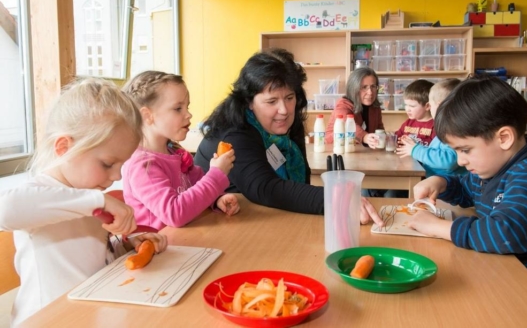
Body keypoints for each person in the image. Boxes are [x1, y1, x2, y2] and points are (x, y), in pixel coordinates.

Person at [0, 78, 169, 326]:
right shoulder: (46, 193)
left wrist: (126, 245)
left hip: (88, 313)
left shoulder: (85, 192)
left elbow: (91, 255)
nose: (116, 176)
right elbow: (6, 211)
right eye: (107, 164)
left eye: (121, 165)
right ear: (64, 147)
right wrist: (96, 201)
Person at [194, 48, 383, 226]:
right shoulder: (235, 134)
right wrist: (337, 199)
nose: (284, 110)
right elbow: (266, 188)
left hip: (268, 216)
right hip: (221, 221)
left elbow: (301, 177)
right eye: (271, 101)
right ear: (249, 102)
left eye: (289, 98)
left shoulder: (287, 122)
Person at [408, 76, 527, 275]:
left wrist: (439, 228)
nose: (460, 161)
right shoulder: (492, 167)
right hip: (496, 269)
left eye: (465, 150)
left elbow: (507, 233)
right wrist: (441, 183)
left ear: (503, 138)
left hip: (522, 286)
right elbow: (467, 190)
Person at [121, 71, 240, 231]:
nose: (188, 114)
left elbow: (197, 187)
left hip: (186, 242)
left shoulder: (174, 152)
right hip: (160, 250)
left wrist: (217, 199)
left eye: (187, 107)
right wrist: (216, 174)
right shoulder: (143, 166)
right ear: (147, 116)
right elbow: (174, 213)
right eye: (178, 108)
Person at [396, 78, 467, 177]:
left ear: (439, 106)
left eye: (430, 104)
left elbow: (449, 160)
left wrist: (415, 150)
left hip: (446, 186)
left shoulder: (452, 130)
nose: (429, 107)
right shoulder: (447, 127)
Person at [325, 67, 384, 148]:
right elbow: (348, 124)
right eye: (364, 87)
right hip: (335, 149)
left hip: (364, 153)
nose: (370, 92)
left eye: (373, 86)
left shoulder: (375, 107)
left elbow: (379, 128)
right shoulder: (342, 105)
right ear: (354, 89)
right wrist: (365, 137)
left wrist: (385, 138)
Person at [395, 79, 435, 148]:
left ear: (427, 106)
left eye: (412, 106)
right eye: (406, 105)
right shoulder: (408, 123)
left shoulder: (435, 126)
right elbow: (396, 137)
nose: (407, 109)